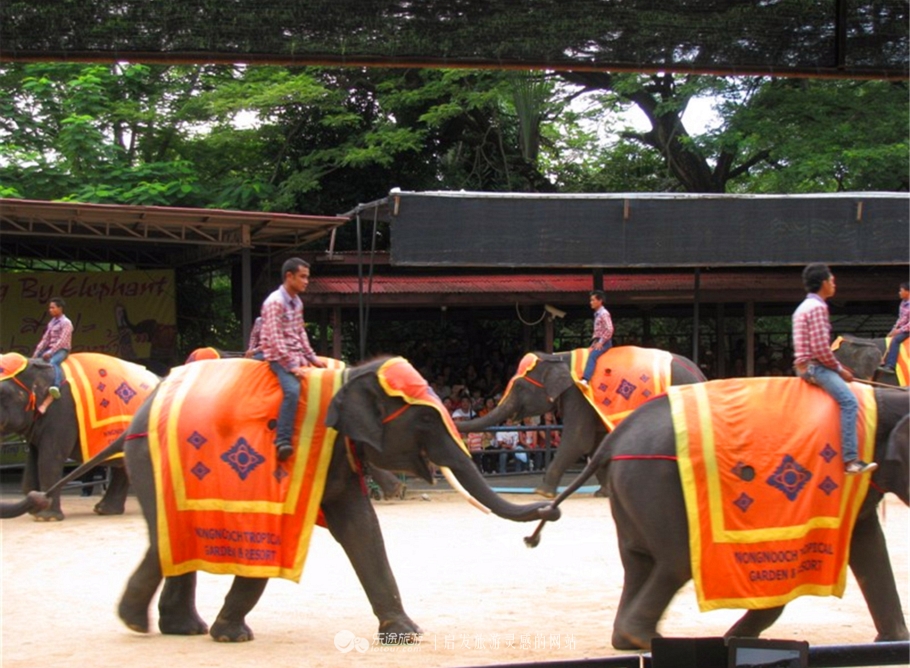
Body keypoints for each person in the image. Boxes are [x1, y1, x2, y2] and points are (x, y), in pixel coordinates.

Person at [792, 264, 876, 475]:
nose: (834, 284)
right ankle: (851, 460)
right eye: (832, 280)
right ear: (823, 283)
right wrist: (839, 370)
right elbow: (820, 349)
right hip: (815, 368)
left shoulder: (802, 307)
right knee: (849, 402)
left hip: (804, 366)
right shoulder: (818, 308)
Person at [259, 258, 326, 461]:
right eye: (303, 277)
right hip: (278, 357)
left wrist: (312, 357)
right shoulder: (274, 302)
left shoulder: (297, 302)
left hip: (295, 353)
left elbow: (300, 333)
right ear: (289, 276)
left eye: (307, 277)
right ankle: (283, 440)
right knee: (292, 390)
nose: (306, 281)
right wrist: (292, 366)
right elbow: (275, 339)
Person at [34, 296, 74, 413]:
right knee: (36, 364)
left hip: (62, 350)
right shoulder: (52, 323)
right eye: (50, 308)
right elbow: (45, 339)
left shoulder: (66, 323)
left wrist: (51, 352)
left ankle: (56, 386)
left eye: (53, 308)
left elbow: (62, 340)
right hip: (50, 348)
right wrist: (36, 354)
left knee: (53, 362)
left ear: (60, 308)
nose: (50, 310)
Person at [580, 290, 614, 387]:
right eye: (591, 300)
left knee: (592, 356)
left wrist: (601, 342)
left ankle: (586, 379)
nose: (591, 302)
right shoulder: (598, 313)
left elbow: (609, 329)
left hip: (604, 342)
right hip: (597, 340)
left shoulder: (604, 313)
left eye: (593, 300)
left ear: (600, 301)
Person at [880, 281, 909, 373]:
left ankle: (891, 365)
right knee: (888, 337)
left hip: (908, 329)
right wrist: (894, 330)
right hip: (903, 327)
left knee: (896, 340)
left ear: (907, 292)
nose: (899, 292)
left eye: (901, 290)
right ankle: (883, 361)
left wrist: (899, 330)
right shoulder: (903, 303)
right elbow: (901, 319)